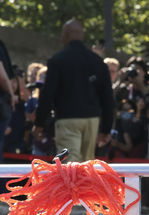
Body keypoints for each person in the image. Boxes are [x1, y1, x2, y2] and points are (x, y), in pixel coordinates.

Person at [34, 19, 114, 163]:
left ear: (67, 34)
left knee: (70, 166)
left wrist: (39, 123)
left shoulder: (57, 61)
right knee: (86, 166)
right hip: (92, 120)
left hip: (67, 119)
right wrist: (106, 129)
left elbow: (47, 95)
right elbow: (107, 97)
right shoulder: (97, 62)